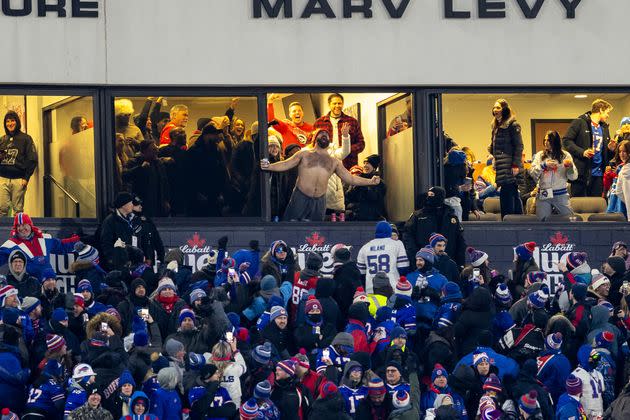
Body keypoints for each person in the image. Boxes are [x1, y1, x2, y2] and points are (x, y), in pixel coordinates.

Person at [260, 129, 380, 222]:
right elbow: (286, 164)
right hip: (300, 196)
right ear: (315, 138)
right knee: (291, 226)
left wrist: (370, 182)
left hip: (320, 201)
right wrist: (269, 166)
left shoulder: (334, 161)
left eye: (327, 135)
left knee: (317, 231)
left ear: (329, 141)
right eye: (321, 133)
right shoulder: (304, 154)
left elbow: (350, 178)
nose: (324, 135)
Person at [0, 212, 78, 280]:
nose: (21, 228)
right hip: (26, 288)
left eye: (24, 225)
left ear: (30, 225)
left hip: (48, 285)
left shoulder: (45, 238)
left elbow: (62, 246)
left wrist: (79, 240)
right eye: (18, 226)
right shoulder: (10, 245)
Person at [403, 186, 466, 267]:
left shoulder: (451, 217)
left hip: (447, 261)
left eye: (432, 195)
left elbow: (460, 241)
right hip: (424, 261)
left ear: (440, 196)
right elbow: (408, 235)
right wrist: (415, 256)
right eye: (428, 194)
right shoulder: (418, 216)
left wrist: (460, 263)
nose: (429, 197)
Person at [563, 99, 615, 197]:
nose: (608, 115)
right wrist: (583, 152)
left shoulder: (604, 127)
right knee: (579, 206)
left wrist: (610, 149)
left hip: (598, 176)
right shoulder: (580, 122)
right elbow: (566, 141)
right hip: (581, 174)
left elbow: (606, 155)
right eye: (607, 112)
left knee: (596, 206)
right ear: (600, 110)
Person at [530, 130, 578, 220]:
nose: (546, 143)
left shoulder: (565, 156)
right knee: (542, 221)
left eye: (549, 140)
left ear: (555, 141)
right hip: (544, 194)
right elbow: (532, 173)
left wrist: (570, 167)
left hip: (561, 194)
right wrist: (543, 165)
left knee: (570, 220)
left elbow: (573, 177)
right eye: (545, 140)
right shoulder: (539, 156)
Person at [488, 99, 524, 218]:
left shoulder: (512, 125)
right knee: (511, 194)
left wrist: (515, 165)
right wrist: (491, 151)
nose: (495, 110)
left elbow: (519, 146)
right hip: (501, 166)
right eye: (494, 108)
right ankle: (515, 221)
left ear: (504, 109)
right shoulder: (496, 126)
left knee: (508, 196)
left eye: (498, 107)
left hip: (509, 166)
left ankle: (510, 222)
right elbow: (495, 146)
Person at [0, 111, 38, 217]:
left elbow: (32, 159)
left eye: (12, 120)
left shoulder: (26, 138)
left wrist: (26, 178)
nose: (10, 123)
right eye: (7, 121)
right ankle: (2, 233)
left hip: (19, 180)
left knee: (18, 210)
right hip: (2, 179)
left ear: (17, 122)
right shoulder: (3, 139)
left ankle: (17, 233)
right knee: (2, 210)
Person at [313, 93, 365, 169]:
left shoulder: (352, 121)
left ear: (343, 104)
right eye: (334, 103)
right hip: (325, 165)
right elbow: (313, 144)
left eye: (339, 103)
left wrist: (346, 149)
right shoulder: (319, 123)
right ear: (329, 104)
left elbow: (361, 144)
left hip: (348, 165)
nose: (337, 106)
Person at [357, 221, 409, 293]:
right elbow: (403, 267)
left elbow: (361, 273)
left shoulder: (365, 247)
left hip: (371, 288)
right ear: (389, 231)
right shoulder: (397, 244)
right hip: (392, 287)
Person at [122, 140, 170, 217]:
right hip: (141, 203)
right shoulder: (134, 162)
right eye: (153, 150)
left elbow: (164, 182)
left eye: (156, 149)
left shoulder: (158, 163)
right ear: (145, 151)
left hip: (158, 203)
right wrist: (140, 168)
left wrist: (165, 200)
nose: (157, 152)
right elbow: (125, 176)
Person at [345, 154, 387, 221]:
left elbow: (375, 198)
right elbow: (348, 196)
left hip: (372, 218)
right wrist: (355, 187)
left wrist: (365, 187)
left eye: (368, 163)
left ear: (374, 167)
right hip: (355, 217)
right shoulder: (357, 179)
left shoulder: (380, 183)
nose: (365, 165)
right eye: (364, 163)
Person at [607, 140, 630, 220]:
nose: (622, 154)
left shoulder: (623, 169)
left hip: (622, 203)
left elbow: (619, 191)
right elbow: (614, 188)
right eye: (620, 151)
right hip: (617, 201)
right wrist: (608, 176)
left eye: (625, 151)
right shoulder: (619, 167)